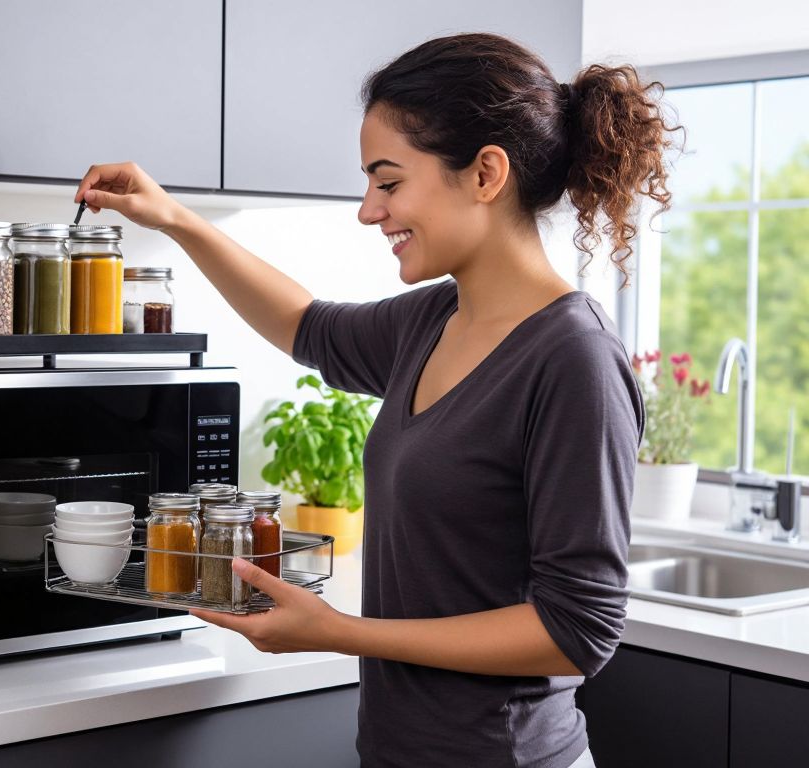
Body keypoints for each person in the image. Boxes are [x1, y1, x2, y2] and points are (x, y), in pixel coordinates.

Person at [74, 33, 679, 768]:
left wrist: (342, 631)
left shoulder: (572, 359)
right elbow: (308, 326)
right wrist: (176, 219)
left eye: (388, 182)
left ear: (486, 172)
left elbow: (577, 632)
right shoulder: (433, 320)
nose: (369, 211)